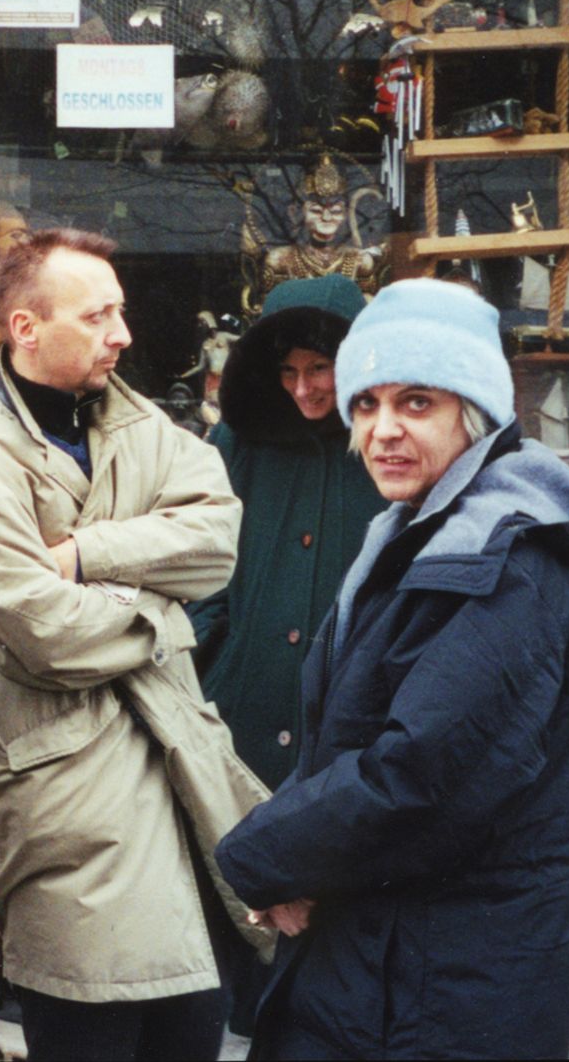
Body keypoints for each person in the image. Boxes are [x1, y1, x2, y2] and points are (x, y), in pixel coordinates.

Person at [216, 278, 569, 1060]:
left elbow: (419, 775)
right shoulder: (418, 532)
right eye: (365, 406)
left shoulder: (506, 554)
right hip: (394, 966)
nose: (383, 432)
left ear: (475, 413)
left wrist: (259, 858)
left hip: (446, 985)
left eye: (416, 403)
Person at [0, 228, 267, 1062]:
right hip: (68, 811)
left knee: (190, 1024)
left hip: (179, 782)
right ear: (25, 329)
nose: (124, 334)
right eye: (98, 314)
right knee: (97, 1024)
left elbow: (218, 539)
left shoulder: (133, 417)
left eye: (119, 311)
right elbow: (47, 634)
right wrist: (164, 616)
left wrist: (88, 554)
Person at [183, 274, 386, 1039]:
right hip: (243, 724)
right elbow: (197, 565)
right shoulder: (236, 441)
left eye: (320, 369)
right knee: (249, 962)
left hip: (345, 735)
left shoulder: (387, 439)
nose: (304, 388)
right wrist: (209, 667)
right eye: (289, 371)